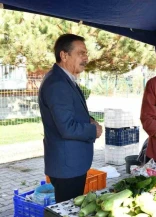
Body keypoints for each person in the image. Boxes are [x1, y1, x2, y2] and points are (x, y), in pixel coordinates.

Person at [38, 34, 102, 202]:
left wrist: (91, 120)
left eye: (86, 53)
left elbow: (75, 112)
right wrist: (93, 130)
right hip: (67, 167)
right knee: (67, 210)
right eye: (81, 53)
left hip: (70, 164)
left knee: (71, 208)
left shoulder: (65, 79)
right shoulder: (57, 83)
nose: (86, 58)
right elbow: (67, 127)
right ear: (64, 55)